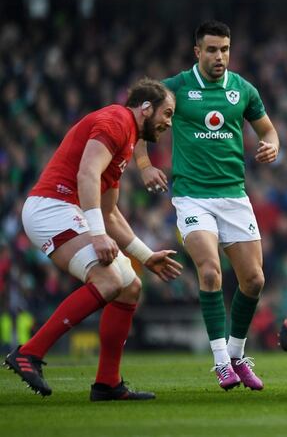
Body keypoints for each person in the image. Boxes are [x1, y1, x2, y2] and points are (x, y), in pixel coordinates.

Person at [4, 78, 182, 400]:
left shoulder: (126, 140)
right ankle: (29, 353)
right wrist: (97, 235)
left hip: (70, 211)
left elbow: (110, 212)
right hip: (52, 207)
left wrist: (145, 255)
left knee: (130, 287)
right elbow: (86, 173)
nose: (169, 122)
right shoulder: (115, 121)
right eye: (166, 113)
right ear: (146, 108)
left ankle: (107, 384)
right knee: (108, 280)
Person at [134, 20, 280, 391]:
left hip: (234, 195)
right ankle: (220, 363)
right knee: (211, 272)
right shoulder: (177, 87)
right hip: (192, 195)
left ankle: (236, 354)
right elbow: (136, 121)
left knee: (254, 280)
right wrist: (146, 164)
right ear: (197, 52)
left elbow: (267, 129)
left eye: (225, 49)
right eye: (212, 50)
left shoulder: (243, 89)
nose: (220, 57)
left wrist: (272, 144)